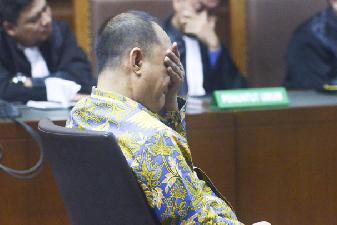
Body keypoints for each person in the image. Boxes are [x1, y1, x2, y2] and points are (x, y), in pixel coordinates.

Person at [66, 10, 243, 224]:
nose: (173, 76)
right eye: (166, 65)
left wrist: (170, 103)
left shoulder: (78, 116)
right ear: (137, 60)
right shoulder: (155, 139)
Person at [0, 0, 93, 102]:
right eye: (34, 19)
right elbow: (5, 91)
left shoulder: (60, 32)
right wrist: (59, 91)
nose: (46, 20)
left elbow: (82, 77)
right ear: (10, 28)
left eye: (45, 9)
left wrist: (32, 83)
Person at [164, 0, 246, 97]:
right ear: (178, 2)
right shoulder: (157, 41)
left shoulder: (212, 43)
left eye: (211, 12)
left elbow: (239, 93)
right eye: (199, 8)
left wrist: (214, 46)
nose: (204, 19)